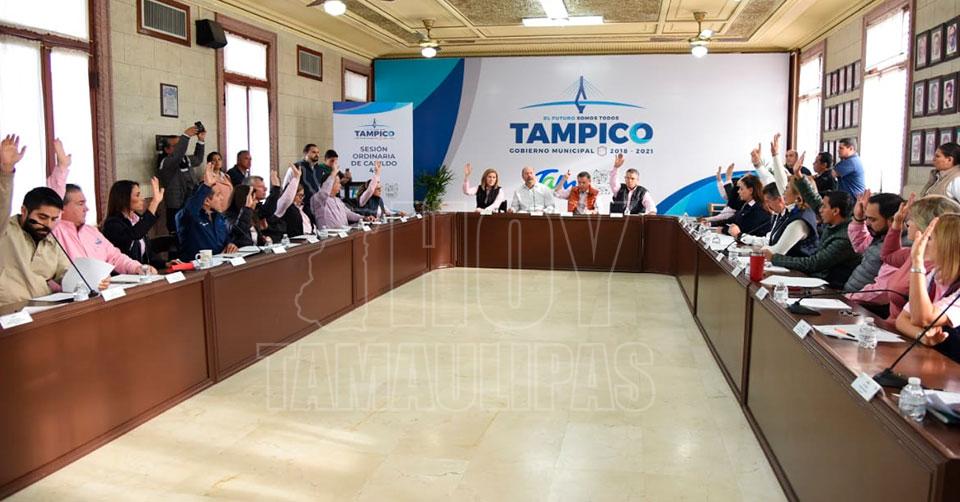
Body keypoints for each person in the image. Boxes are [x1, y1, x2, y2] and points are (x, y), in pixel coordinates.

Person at [47, 147, 156, 275]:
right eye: (80, 204)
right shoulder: (56, 230)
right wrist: (62, 168)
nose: (86, 209)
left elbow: (115, 256)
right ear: (62, 208)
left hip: (107, 285)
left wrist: (137, 267)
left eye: (85, 203)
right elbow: (52, 202)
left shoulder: (91, 231)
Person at [878, 195, 960, 320]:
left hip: (903, 328)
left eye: (912, 219)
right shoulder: (913, 254)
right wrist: (897, 223)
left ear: (927, 226)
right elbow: (888, 255)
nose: (908, 223)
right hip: (894, 324)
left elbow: (923, 317)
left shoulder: (938, 269)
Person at [765, 182, 862, 288]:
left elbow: (814, 263)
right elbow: (813, 199)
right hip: (818, 279)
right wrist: (800, 178)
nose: (820, 210)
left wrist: (775, 258)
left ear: (835, 211)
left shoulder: (844, 239)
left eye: (824, 207)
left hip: (831, 287)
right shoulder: (834, 222)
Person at [895, 214, 960, 363]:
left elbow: (923, 318)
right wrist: (922, 336)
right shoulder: (936, 274)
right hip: (937, 360)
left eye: (929, 238)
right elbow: (902, 320)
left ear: (947, 245)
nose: (923, 243)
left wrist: (917, 263)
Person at [102, 177, 172, 271]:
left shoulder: (137, 219)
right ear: (124, 198)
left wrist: (165, 263)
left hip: (142, 273)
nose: (142, 199)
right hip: (124, 275)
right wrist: (154, 202)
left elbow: (147, 256)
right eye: (137, 195)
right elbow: (135, 234)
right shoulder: (112, 224)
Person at [843, 190, 903, 295]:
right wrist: (858, 218)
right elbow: (860, 246)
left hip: (863, 302)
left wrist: (849, 297)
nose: (867, 223)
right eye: (866, 218)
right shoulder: (880, 235)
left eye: (872, 219)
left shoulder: (901, 247)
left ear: (892, 220)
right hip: (852, 296)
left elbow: (880, 291)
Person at [176, 163, 237, 261]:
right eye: (218, 195)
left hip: (221, 262)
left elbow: (225, 238)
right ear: (207, 201)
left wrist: (230, 244)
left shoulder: (219, 216)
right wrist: (206, 186)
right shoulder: (188, 216)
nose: (222, 198)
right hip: (197, 265)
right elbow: (190, 211)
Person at [157, 125, 205, 234]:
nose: (180, 148)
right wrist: (186, 136)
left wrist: (201, 140)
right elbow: (177, 156)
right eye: (176, 146)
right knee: (178, 235)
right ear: (167, 149)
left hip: (190, 202)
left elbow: (198, 159)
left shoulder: (185, 159)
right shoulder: (166, 162)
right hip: (176, 206)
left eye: (180, 145)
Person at [310, 162, 374, 229]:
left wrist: (363, 218)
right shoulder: (318, 199)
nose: (340, 185)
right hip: (328, 234)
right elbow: (325, 191)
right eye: (338, 183)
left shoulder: (338, 200)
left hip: (344, 233)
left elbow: (349, 214)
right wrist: (333, 173)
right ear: (330, 184)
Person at [275, 164, 313, 236]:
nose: (301, 198)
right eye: (300, 195)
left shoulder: (303, 208)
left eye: (302, 196)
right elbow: (287, 199)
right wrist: (296, 177)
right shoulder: (287, 208)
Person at [295, 143, 322, 224]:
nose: (317, 154)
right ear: (305, 153)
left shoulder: (319, 169)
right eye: (313, 152)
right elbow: (288, 185)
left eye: (318, 152)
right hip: (304, 205)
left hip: (317, 205)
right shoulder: (297, 167)